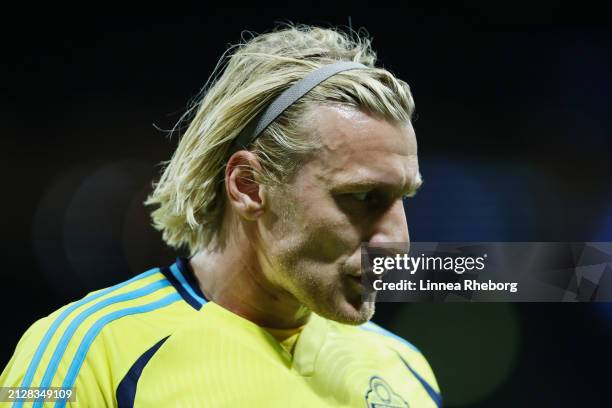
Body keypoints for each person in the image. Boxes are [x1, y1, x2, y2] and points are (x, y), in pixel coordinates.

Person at [1, 24, 439, 407]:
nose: (396, 240)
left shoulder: (408, 372)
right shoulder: (88, 354)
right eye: (362, 196)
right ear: (248, 186)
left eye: (404, 198)